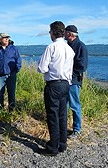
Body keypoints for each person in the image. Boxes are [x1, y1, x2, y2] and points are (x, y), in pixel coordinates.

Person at [37, 21, 75, 156]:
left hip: (53, 84)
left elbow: (41, 68)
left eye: (50, 32)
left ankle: (53, 147)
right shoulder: (69, 49)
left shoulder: (51, 47)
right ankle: (62, 144)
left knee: (53, 115)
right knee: (62, 114)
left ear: (53, 32)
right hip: (66, 84)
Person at [64, 25, 88, 139]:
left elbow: (82, 66)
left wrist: (70, 71)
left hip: (74, 80)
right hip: (66, 79)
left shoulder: (80, 46)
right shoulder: (68, 45)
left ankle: (77, 129)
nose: (63, 35)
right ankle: (64, 127)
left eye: (65, 33)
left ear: (70, 34)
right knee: (65, 104)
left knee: (74, 105)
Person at [0, 33, 22, 112]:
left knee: (11, 94)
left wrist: (16, 70)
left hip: (11, 74)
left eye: (7, 38)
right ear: (0, 39)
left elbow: (18, 60)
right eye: (4, 38)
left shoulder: (13, 48)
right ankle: (0, 111)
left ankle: (11, 111)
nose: (6, 39)